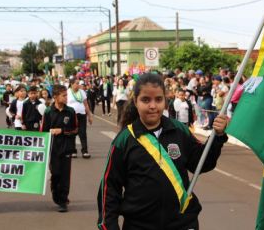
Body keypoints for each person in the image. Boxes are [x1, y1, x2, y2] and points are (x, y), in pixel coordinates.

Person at [97, 73, 228, 230]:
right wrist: (108, 226)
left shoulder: (179, 130)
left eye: (158, 99)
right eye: (146, 100)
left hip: (182, 223)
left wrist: (217, 138)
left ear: (165, 102)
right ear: (135, 102)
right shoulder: (124, 140)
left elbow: (202, 163)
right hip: (139, 225)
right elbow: (110, 188)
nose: (153, 106)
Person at [41, 85, 78, 213]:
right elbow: (43, 131)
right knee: (56, 174)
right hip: (53, 149)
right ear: (55, 97)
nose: (66, 97)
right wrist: (49, 134)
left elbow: (75, 129)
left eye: (67, 95)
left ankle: (63, 201)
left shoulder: (71, 111)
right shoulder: (48, 112)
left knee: (65, 176)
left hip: (67, 148)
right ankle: (56, 194)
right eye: (64, 95)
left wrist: (62, 131)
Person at [67, 78, 93, 159]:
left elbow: (86, 104)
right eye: (76, 83)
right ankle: (73, 151)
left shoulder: (82, 92)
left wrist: (89, 115)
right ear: (71, 84)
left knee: (82, 133)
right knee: (71, 133)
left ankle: (85, 151)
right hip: (71, 116)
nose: (78, 85)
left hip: (82, 115)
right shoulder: (67, 92)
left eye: (79, 83)